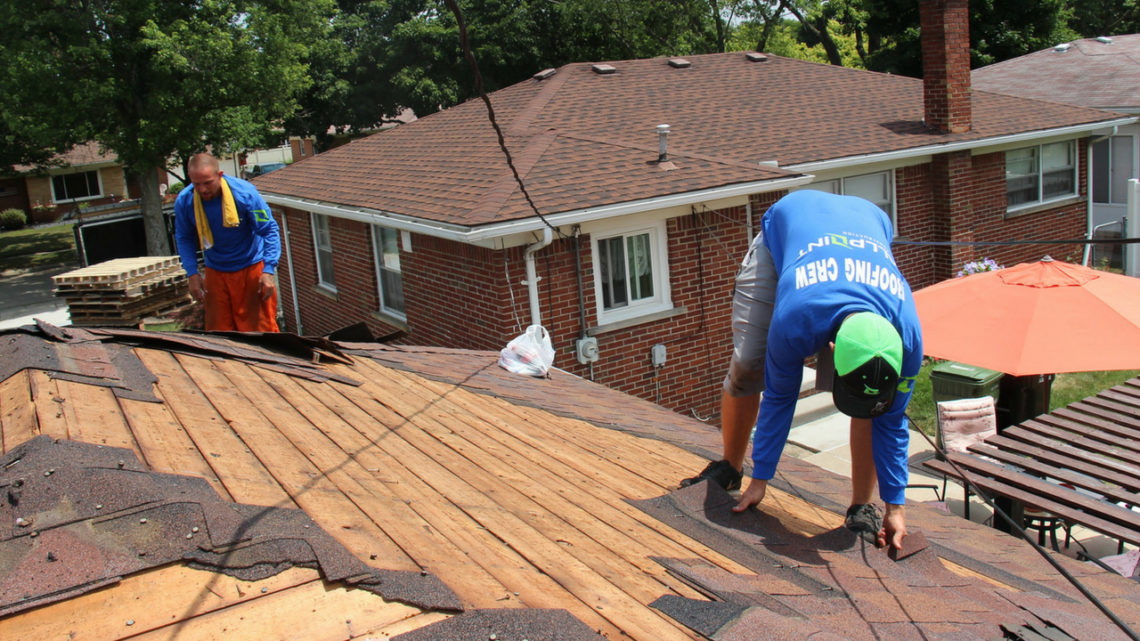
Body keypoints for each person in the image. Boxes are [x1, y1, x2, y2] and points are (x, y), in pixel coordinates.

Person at [681, 190, 922, 550]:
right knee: (749, 364)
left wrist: (896, 507)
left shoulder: (908, 340)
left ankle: (862, 506)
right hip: (786, 230)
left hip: (865, 223)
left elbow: (891, 420)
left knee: (875, 405)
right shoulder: (796, 319)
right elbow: (781, 396)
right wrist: (761, 480)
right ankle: (731, 468)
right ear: (831, 350)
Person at [174, 153, 281, 332]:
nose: (202, 190)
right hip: (215, 272)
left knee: (261, 334)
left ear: (220, 175)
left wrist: (269, 270)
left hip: (251, 268)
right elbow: (184, 237)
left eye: (208, 182)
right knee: (219, 333)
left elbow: (269, 230)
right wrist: (192, 273)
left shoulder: (245, 194)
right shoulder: (185, 201)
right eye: (196, 184)